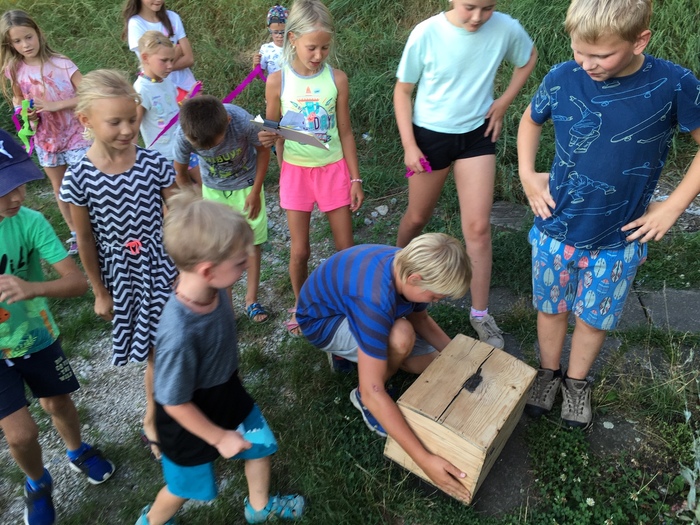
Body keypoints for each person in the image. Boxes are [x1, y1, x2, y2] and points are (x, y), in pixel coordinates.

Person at [517, 0, 700, 429]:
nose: (587, 64)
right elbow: (530, 120)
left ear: (640, 41)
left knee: (594, 318)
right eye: (579, 51)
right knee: (551, 308)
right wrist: (527, 175)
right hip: (555, 228)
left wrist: (674, 206)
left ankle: (577, 383)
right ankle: (548, 374)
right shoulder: (563, 76)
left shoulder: (675, 84)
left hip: (618, 240)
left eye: (601, 55)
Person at [135, 188, 305, 525]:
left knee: (260, 445)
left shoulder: (213, 289)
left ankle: (259, 507)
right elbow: (173, 401)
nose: (248, 263)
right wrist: (218, 437)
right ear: (208, 271)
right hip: (187, 418)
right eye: (240, 262)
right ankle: (152, 521)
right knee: (184, 487)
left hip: (226, 391)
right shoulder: (179, 333)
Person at [393, 0, 537, 349]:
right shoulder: (426, 33)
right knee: (417, 217)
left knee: (478, 228)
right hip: (430, 137)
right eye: (470, 6)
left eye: (487, 8)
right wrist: (410, 145)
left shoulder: (505, 27)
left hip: (477, 135)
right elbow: (403, 90)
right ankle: (392, 280)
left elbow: (528, 58)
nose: (477, 17)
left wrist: (503, 101)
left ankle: (480, 313)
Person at [296, 232, 473, 502]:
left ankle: (353, 354)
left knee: (428, 362)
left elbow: (421, 319)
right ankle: (353, 381)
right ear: (414, 279)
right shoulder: (374, 300)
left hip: (347, 306)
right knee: (401, 338)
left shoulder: (408, 265)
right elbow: (373, 391)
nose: (435, 302)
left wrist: (460, 358)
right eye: (435, 297)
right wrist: (424, 460)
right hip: (322, 323)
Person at [59, 70, 178, 459]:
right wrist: (99, 291)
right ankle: (154, 417)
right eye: (115, 122)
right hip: (122, 275)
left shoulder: (152, 162)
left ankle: (165, 410)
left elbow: (180, 210)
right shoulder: (79, 177)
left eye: (132, 119)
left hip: (162, 264)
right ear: (86, 120)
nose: (127, 129)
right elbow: (85, 239)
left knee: (166, 343)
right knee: (156, 347)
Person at [0, 129, 115, 525]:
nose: (17, 196)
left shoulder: (30, 222)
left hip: (36, 335)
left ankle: (76, 450)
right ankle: (37, 482)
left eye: (20, 183)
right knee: (20, 434)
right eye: (4, 189)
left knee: (58, 403)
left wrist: (32, 288)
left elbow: (76, 282)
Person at [259, 0, 364, 336]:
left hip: (333, 169)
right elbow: (272, 129)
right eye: (311, 47)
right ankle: (302, 305)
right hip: (296, 173)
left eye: (325, 47)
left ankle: (350, 303)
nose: (318, 55)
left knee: (345, 248)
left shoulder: (337, 79)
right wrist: (269, 139)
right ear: (292, 39)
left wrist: (355, 178)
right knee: (300, 250)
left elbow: (345, 131)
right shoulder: (277, 81)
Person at [172, 95, 271, 324]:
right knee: (220, 249)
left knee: (253, 243)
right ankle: (227, 309)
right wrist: (196, 204)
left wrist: (256, 192)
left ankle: (251, 300)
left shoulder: (242, 120)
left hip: (247, 187)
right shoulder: (186, 133)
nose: (212, 151)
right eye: (205, 148)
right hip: (214, 191)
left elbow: (263, 151)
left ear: (227, 121)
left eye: (215, 144)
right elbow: (180, 173)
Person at [0, 9, 91, 255]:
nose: (25, 45)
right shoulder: (14, 69)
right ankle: (76, 233)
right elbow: (19, 100)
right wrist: (25, 114)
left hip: (77, 135)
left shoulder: (62, 64)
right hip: (46, 138)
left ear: (38, 32)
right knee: (59, 186)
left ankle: (97, 226)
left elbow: (88, 94)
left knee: (85, 181)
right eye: (17, 41)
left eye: (28, 37)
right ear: (10, 44)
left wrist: (55, 105)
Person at [122, 0, 196, 97]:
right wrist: (177, 51)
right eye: (165, 60)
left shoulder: (173, 17)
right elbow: (150, 65)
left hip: (189, 87)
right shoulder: (136, 24)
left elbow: (189, 59)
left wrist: (162, 64)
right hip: (160, 92)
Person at [134, 30, 179, 161]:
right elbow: (134, 126)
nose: (170, 66)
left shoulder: (166, 81)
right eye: (164, 60)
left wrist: (189, 98)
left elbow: (172, 110)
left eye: (172, 60)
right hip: (163, 158)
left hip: (182, 150)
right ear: (145, 58)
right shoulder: (142, 89)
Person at [253, 4, 289, 76]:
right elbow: (258, 76)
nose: (280, 36)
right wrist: (256, 65)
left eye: (283, 32)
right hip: (273, 83)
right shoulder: (266, 49)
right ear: (269, 30)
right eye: (275, 32)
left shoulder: (295, 47)